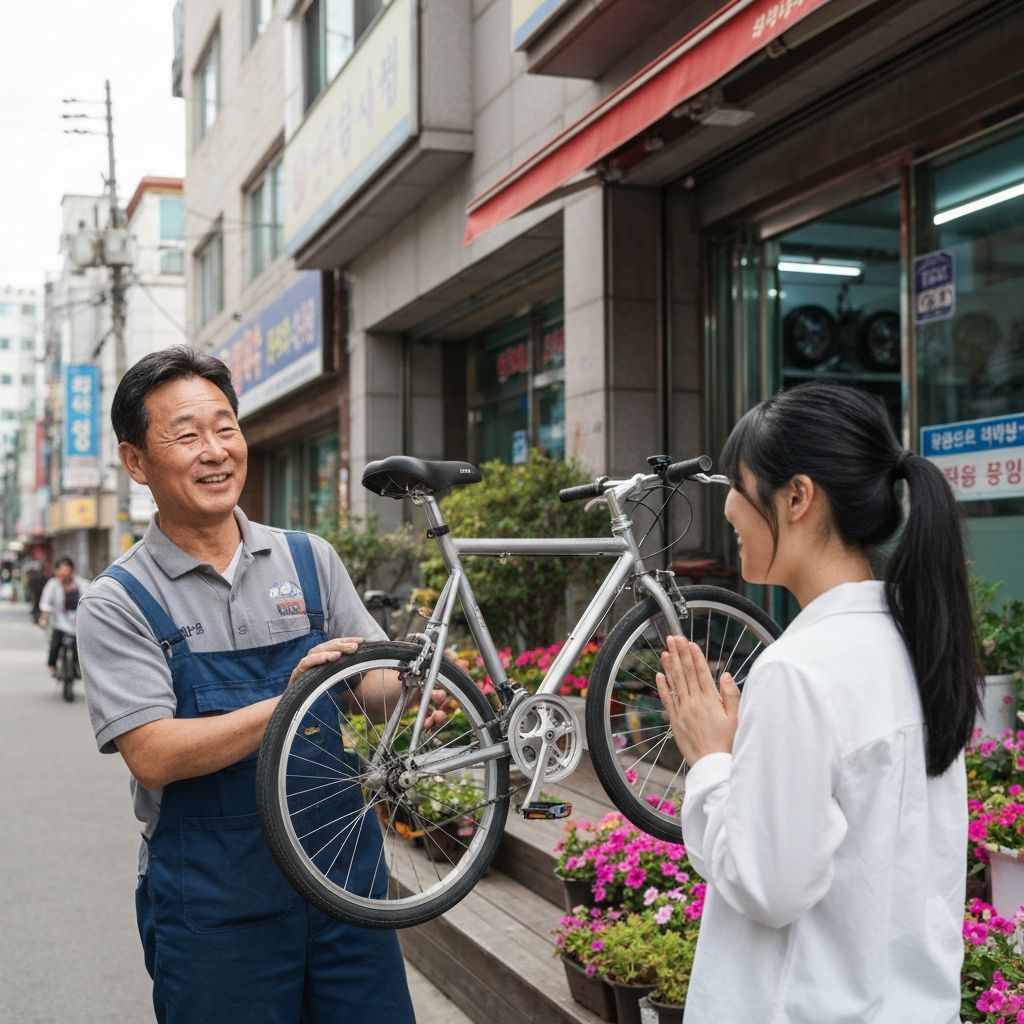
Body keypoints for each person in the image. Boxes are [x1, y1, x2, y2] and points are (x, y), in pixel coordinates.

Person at [78, 346, 428, 1024]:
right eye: (187, 435)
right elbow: (152, 752)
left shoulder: (308, 557)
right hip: (215, 909)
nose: (215, 451)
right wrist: (291, 700)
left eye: (225, 427)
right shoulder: (119, 600)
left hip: (341, 888)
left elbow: (363, 684)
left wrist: (410, 686)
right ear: (136, 461)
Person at [655, 382, 981, 1024]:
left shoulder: (798, 670)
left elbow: (766, 886)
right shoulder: (913, 643)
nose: (727, 513)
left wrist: (712, 760)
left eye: (736, 488)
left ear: (797, 497)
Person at [39, 556, 87, 676]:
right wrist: (43, 619)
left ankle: (79, 668)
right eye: (61, 572)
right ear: (57, 571)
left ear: (72, 571)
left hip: (77, 621)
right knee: (55, 643)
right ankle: (52, 665)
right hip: (59, 620)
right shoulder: (52, 585)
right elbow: (46, 603)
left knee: (81, 646)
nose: (64, 575)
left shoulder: (81, 583)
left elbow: (89, 599)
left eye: (67, 572)